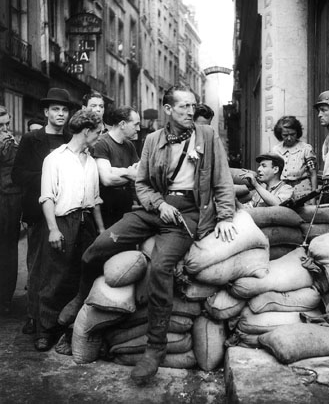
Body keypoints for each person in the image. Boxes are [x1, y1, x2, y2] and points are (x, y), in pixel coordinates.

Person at [60, 84, 237, 385]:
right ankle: (80, 296)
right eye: (183, 107)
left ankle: (154, 349)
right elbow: (141, 183)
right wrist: (159, 203)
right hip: (155, 207)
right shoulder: (153, 139)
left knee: (160, 267)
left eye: (193, 106)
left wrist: (226, 216)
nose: (190, 112)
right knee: (98, 246)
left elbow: (222, 180)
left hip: (187, 214)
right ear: (167, 109)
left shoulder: (207, 136)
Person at [36, 109, 104, 352]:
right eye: (97, 132)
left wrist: (101, 230)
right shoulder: (54, 159)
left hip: (86, 223)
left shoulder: (92, 162)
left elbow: (95, 200)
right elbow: (47, 198)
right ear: (86, 131)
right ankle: (45, 331)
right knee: (55, 277)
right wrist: (53, 230)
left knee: (81, 278)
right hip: (63, 222)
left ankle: (69, 331)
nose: (99, 136)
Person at [12, 88, 72, 337]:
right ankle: (34, 318)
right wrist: (49, 178)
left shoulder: (71, 139)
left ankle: (54, 319)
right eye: (55, 109)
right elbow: (18, 175)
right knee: (37, 267)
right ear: (46, 112)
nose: (60, 114)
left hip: (66, 212)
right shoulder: (31, 139)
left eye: (65, 109)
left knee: (61, 268)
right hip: (38, 213)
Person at [93, 106, 140, 228]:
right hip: (107, 207)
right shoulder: (102, 143)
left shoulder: (130, 146)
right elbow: (107, 180)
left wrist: (117, 171)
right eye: (136, 124)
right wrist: (130, 173)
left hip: (126, 205)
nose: (138, 129)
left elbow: (140, 174)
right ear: (123, 124)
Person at [0, 106, 22, 315]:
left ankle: (5, 299)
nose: (6, 129)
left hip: (10, 203)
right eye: (0, 125)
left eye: (7, 124)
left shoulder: (12, 143)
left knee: (8, 252)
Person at [273, 116, 317, 200]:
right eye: (285, 135)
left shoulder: (306, 149)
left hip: (303, 192)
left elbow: (313, 174)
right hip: (282, 192)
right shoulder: (276, 150)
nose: (289, 138)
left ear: (297, 132)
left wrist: (313, 197)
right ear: (280, 134)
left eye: (292, 134)